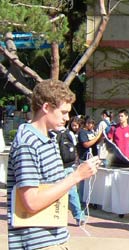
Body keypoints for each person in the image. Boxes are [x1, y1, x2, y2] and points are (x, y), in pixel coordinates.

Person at [8, 80, 99, 250]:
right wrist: (76, 176)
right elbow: (31, 202)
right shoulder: (28, 143)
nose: (67, 118)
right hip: (37, 242)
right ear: (46, 107)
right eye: (63, 112)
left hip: (53, 237)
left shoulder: (48, 139)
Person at [57, 116, 86, 226]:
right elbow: (75, 148)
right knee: (72, 192)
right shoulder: (69, 134)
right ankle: (79, 216)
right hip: (68, 166)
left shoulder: (51, 133)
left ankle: (53, 215)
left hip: (56, 166)